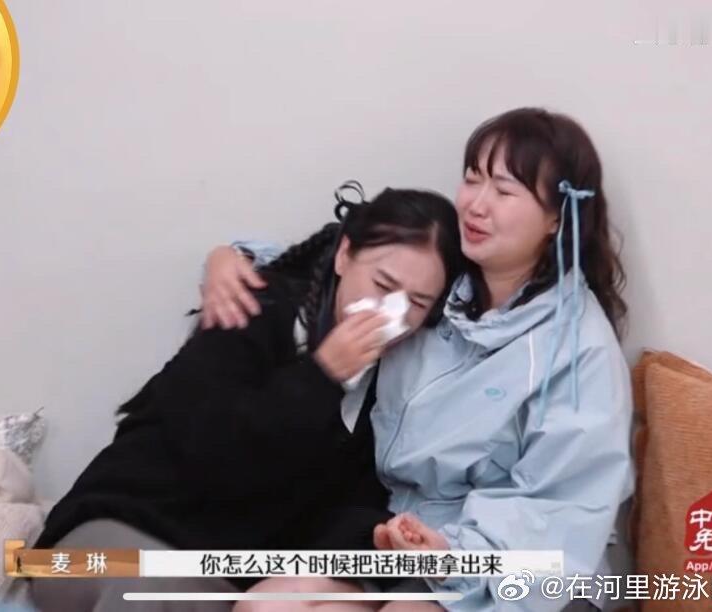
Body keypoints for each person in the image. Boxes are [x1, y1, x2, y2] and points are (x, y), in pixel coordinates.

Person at [201, 107, 635, 611]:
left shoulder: (579, 351)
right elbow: (346, 260)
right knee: (267, 604)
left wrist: (452, 554)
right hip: (396, 538)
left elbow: (561, 508)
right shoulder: (440, 280)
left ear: (556, 216)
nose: (476, 204)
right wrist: (233, 258)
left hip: (518, 569)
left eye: (503, 190)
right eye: (472, 178)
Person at [29, 186, 465, 612]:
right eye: (383, 284)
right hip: (121, 529)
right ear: (344, 255)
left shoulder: (393, 386)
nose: (391, 314)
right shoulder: (253, 310)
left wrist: (378, 539)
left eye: (417, 303)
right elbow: (212, 456)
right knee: (152, 590)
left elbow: (340, 508)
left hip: (220, 572)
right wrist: (322, 375)